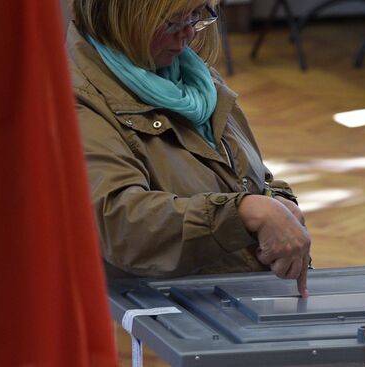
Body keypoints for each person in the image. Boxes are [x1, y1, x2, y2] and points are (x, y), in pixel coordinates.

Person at [67, 0, 311, 296]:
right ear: (121, 15)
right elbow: (120, 224)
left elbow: (245, 176)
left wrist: (279, 203)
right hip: (157, 321)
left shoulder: (195, 78)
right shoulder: (78, 102)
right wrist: (245, 213)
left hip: (233, 302)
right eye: (172, 21)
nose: (188, 34)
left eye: (198, 15)